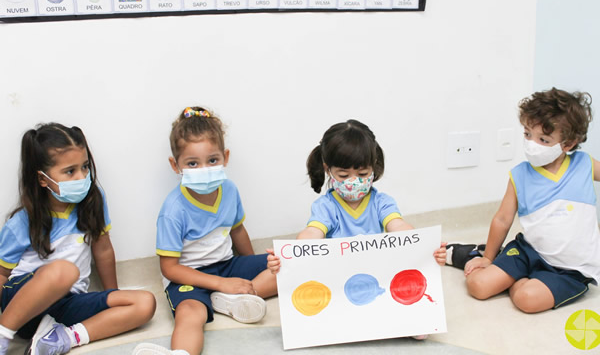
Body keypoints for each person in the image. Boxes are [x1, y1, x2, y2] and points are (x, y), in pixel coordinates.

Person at [266, 119, 446, 339]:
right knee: (320, 305)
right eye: (343, 175)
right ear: (328, 170)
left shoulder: (382, 202)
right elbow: (313, 233)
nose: (353, 182)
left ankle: (402, 318)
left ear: (374, 168)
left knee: (404, 298)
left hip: (378, 274)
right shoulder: (326, 206)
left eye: (362, 175)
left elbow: (398, 226)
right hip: (339, 278)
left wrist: (423, 246)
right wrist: (290, 255)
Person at [0, 123, 156, 355]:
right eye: (70, 171)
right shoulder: (23, 222)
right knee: (64, 271)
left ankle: (59, 340)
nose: (82, 176)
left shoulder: (93, 201)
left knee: (145, 304)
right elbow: (2, 274)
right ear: (42, 179)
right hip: (23, 304)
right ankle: (2, 336)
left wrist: (111, 293)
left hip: (67, 304)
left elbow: (103, 250)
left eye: (84, 167)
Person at [134, 107, 277, 355]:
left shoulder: (229, 190)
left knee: (282, 265)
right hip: (186, 277)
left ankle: (231, 298)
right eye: (193, 163)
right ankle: (182, 352)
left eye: (212, 160)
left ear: (225, 157)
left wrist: (249, 267)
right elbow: (170, 268)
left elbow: (238, 230)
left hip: (226, 264)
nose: (204, 169)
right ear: (175, 165)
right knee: (191, 313)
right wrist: (222, 283)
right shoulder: (173, 210)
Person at [462, 88, 600, 313]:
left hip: (570, 269)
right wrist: (488, 258)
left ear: (568, 144)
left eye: (543, 139)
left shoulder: (584, 164)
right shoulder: (519, 175)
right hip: (528, 252)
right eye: (527, 134)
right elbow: (503, 219)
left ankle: (518, 280)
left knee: (527, 299)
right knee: (478, 286)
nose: (532, 144)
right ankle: (481, 255)